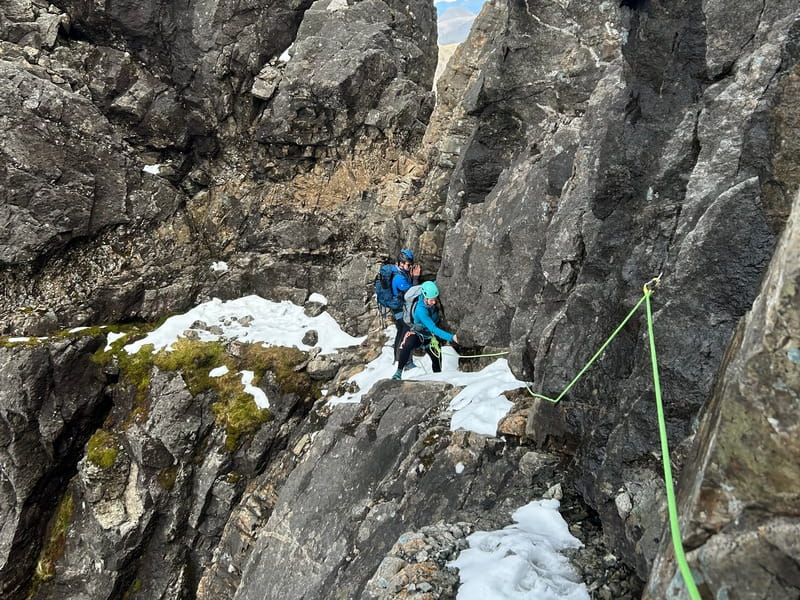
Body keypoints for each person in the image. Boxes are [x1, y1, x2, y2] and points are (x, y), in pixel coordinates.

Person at [392, 281, 458, 380]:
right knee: (408, 345)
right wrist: (452, 337)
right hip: (419, 334)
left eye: (435, 300)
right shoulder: (421, 310)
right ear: (425, 297)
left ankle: (438, 378)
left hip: (430, 336)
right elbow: (433, 328)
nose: (434, 302)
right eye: (431, 300)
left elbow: (435, 283)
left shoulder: (430, 294)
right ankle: (398, 372)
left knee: (436, 359)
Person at [391, 249, 420, 362]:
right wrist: (415, 278)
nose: (410, 266)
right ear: (401, 263)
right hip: (399, 310)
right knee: (404, 333)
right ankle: (404, 361)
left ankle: (398, 359)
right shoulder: (398, 278)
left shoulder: (400, 273)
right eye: (408, 264)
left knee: (401, 332)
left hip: (399, 308)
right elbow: (411, 293)